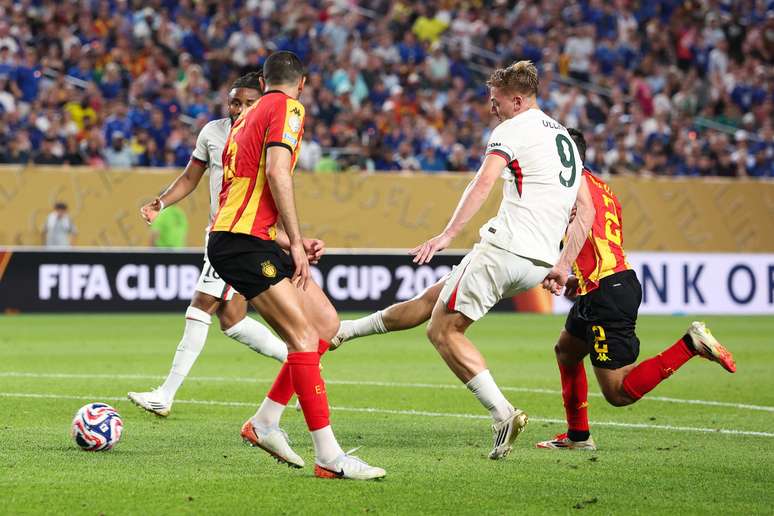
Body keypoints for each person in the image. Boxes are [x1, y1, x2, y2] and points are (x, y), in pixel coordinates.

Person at [207, 51, 384, 480]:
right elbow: (277, 173)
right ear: (301, 83)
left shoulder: (244, 118)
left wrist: (292, 241)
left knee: (324, 326)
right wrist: (299, 249)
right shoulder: (288, 107)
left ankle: (265, 422)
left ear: (264, 81)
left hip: (251, 237)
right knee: (303, 338)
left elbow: (246, 196)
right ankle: (329, 457)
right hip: (242, 243)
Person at [409, 60, 582, 460]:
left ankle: (502, 412)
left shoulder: (512, 129)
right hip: (539, 262)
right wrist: (563, 263)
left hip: (506, 248)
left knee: (443, 331)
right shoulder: (565, 139)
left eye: (496, 101)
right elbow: (584, 210)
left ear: (517, 100)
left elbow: (483, 181)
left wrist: (447, 234)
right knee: (436, 298)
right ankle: (345, 332)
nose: (493, 109)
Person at [535, 129, 736, 450]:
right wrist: (579, 277)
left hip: (607, 293)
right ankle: (578, 436)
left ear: (565, 156)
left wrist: (561, 267)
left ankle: (690, 344)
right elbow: (601, 241)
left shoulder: (571, 185)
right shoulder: (603, 189)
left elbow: (583, 224)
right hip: (602, 285)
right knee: (567, 351)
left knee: (617, 392)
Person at [128, 72, 291, 417]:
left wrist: (286, 235)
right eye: (235, 101)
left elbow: (275, 187)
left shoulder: (267, 137)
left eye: (249, 102)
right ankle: (298, 358)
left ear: (262, 104)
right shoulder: (213, 133)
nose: (240, 108)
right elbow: (191, 176)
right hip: (218, 232)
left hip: (239, 236)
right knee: (232, 320)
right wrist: (161, 202)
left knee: (201, 304)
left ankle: (165, 394)